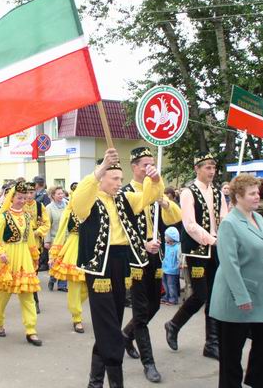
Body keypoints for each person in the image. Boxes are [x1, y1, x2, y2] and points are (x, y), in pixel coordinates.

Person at [73, 148, 163, 388]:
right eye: (115, 179)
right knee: (110, 328)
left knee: (109, 326)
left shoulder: (123, 198)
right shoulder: (89, 200)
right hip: (99, 268)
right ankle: (115, 383)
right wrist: (102, 167)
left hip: (121, 263)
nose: (119, 183)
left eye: (121, 180)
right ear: (101, 178)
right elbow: (78, 200)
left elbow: (148, 197)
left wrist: (154, 179)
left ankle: (95, 383)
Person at [210, 174, 263, 388]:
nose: (258, 196)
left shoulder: (257, 218)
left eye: (257, 192)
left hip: (262, 295)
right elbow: (229, 264)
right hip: (236, 298)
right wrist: (241, 296)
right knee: (231, 357)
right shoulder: (229, 223)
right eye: (252, 193)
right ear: (238, 196)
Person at [121, 147, 182, 383]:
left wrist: (165, 203)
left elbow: (174, 217)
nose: (150, 168)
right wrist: (143, 245)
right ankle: (149, 363)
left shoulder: (155, 191)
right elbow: (122, 230)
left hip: (156, 256)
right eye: (145, 164)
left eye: (152, 163)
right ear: (134, 167)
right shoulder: (126, 192)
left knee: (154, 305)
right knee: (140, 309)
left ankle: (126, 335)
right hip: (135, 256)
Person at [164, 153, 228, 360]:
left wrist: (225, 236)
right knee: (201, 294)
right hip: (197, 251)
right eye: (207, 167)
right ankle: (174, 324)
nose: (211, 171)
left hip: (216, 249)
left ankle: (212, 342)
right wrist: (211, 239)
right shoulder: (188, 192)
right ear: (197, 169)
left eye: (213, 167)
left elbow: (224, 218)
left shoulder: (218, 193)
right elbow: (189, 224)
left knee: (215, 296)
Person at [0, 182, 43, 346]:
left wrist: (34, 257)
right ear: (11, 198)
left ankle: (31, 330)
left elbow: (30, 239)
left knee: (27, 295)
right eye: (19, 197)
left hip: (24, 257)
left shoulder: (26, 216)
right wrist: (0, 253)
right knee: (3, 296)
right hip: (8, 258)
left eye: (25, 198)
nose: (22, 200)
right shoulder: (3, 216)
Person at [48, 197, 88, 333]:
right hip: (73, 247)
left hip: (91, 248)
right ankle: (77, 317)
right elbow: (60, 234)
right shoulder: (69, 212)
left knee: (89, 287)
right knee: (75, 286)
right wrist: (53, 255)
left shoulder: (94, 208)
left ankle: (75, 307)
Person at [25, 181, 51, 312]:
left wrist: (37, 232)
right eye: (27, 192)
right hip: (22, 244)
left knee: (34, 273)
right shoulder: (20, 206)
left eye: (31, 192)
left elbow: (46, 224)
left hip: (35, 244)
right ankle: (27, 299)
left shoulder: (40, 206)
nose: (29, 195)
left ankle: (35, 300)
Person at [45, 186, 68, 292]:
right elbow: (47, 225)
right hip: (55, 239)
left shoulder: (67, 205)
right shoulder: (49, 208)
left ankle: (62, 285)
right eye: (58, 194)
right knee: (54, 261)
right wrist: (47, 240)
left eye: (62, 193)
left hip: (67, 238)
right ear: (52, 195)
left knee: (65, 261)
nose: (61, 195)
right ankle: (52, 278)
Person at [162, 226, 181, 305]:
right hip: (164, 268)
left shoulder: (177, 247)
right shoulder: (165, 246)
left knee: (171, 285)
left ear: (171, 237)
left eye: (166, 236)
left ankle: (173, 299)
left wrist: (179, 265)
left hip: (173, 270)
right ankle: (166, 296)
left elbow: (179, 258)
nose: (164, 237)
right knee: (165, 283)